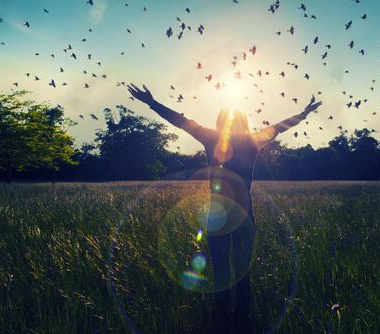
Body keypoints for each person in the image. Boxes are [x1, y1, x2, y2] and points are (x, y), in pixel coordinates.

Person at [128, 83, 321, 332]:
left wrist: (152, 102)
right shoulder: (253, 139)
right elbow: (281, 127)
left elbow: (180, 121)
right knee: (243, 272)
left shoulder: (211, 137)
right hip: (243, 210)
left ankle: (224, 323)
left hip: (218, 211)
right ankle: (241, 322)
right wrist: (304, 114)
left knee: (221, 272)